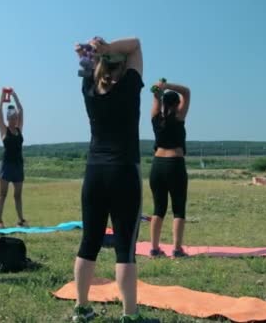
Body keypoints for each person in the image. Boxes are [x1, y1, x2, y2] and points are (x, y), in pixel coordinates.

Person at [72, 37, 158, 323]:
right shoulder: (131, 88)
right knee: (125, 249)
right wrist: (107, 48)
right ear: (123, 68)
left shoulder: (88, 90)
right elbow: (136, 44)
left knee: (89, 242)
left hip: (94, 173)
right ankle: (130, 315)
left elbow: (85, 65)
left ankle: (82, 308)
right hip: (123, 173)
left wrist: (91, 53)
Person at [148, 81, 191, 258]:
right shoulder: (179, 116)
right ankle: (176, 249)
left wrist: (159, 89)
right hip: (175, 164)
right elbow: (186, 92)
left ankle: (154, 248)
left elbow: (156, 97)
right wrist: (168, 85)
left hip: (157, 165)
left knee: (159, 208)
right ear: (176, 104)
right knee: (178, 208)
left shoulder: (155, 116)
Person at [0, 89, 27, 228]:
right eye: (12, 118)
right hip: (6, 165)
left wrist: (14, 95)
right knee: (2, 195)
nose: (14, 120)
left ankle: (21, 220)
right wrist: (3, 97)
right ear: (8, 119)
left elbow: (21, 109)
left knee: (18, 195)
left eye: (16, 118)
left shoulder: (19, 129)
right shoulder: (4, 130)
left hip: (18, 165)